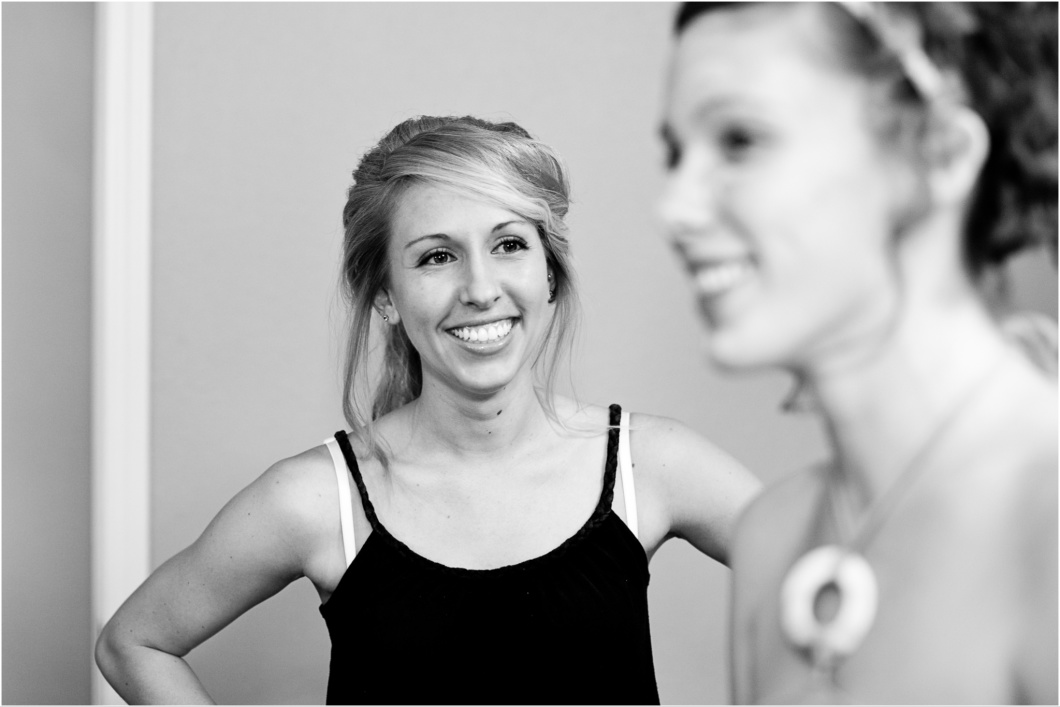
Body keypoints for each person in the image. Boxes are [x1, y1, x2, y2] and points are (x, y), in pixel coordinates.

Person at [95, 115, 761, 705]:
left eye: (509, 244)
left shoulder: (651, 466)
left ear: (549, 274)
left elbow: (854, 583)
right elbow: (135, 642)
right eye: (437, 256)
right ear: (385, 295)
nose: (480, 288)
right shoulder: (320, 498)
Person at [659, 2, 1057, 703]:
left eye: (740, 139)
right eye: (675, 153)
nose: (678, 207)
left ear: (942, 153)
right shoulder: (771, 537)